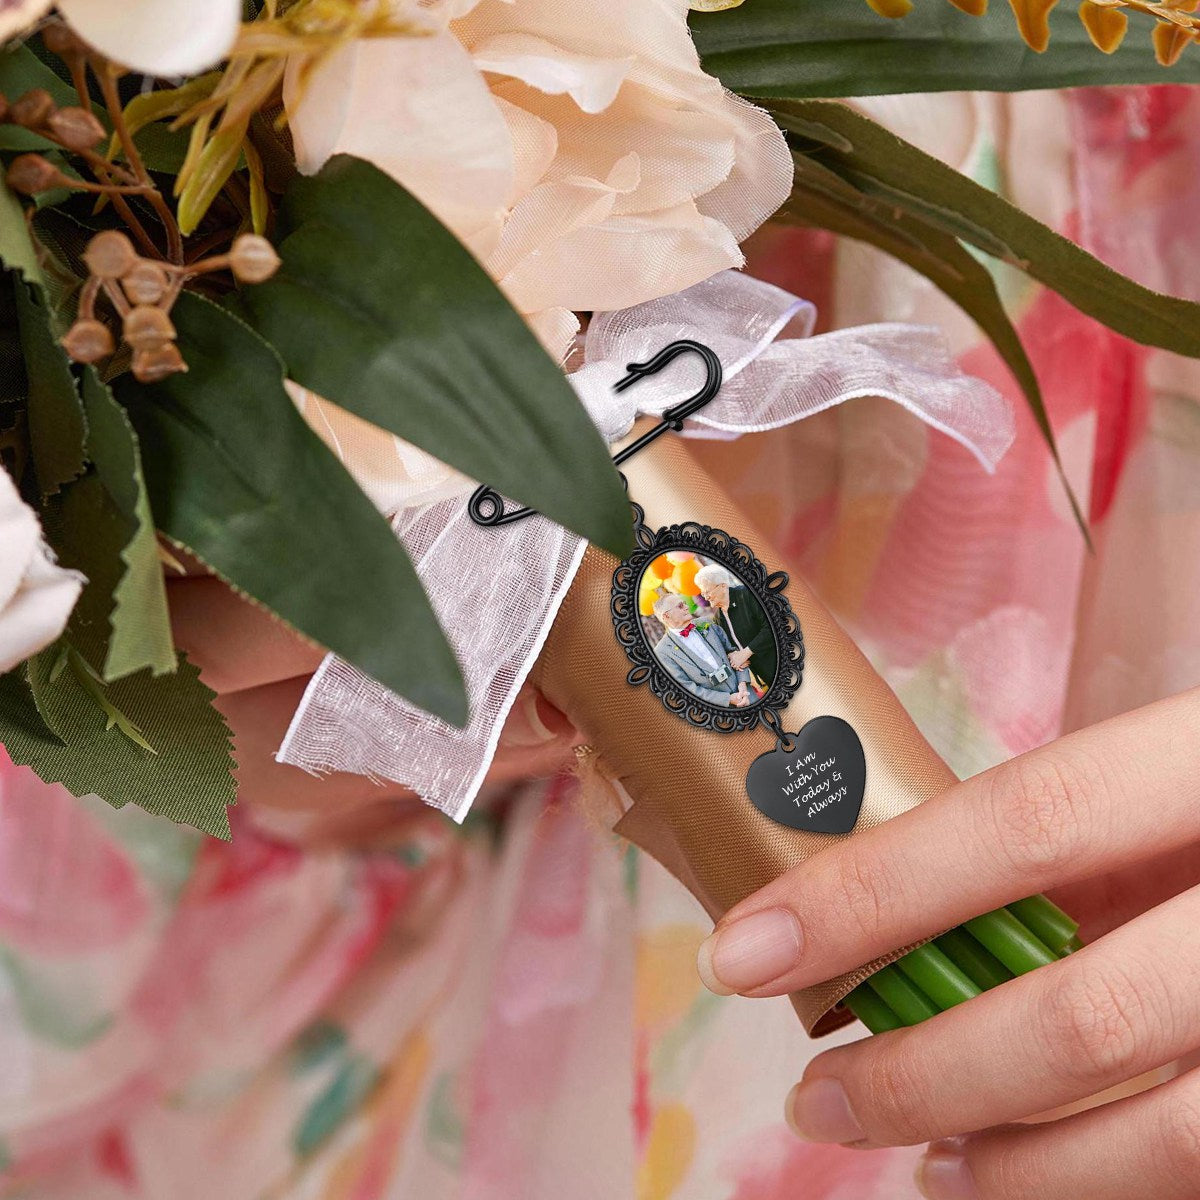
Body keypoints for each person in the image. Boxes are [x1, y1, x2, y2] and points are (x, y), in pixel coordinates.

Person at [651, 592, 753, 707]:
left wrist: (742, 684)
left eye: (684, 603)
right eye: (680, 606)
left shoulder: (706, 622)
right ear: (666, 616)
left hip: (745, 692)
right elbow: (685, 688)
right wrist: (727, 699)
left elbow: (733, 652)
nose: (687, 607)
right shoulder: (662, 652)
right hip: (716, 707)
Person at [694, 562, 778, 690]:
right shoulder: (718, 618)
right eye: (702, 593)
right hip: (762, 675)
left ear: (723, 586)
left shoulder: (748, 594)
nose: (705, 597)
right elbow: (729, 646)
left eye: (707, 591)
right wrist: (733, 656)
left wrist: (745, 653)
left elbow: (772, 627)